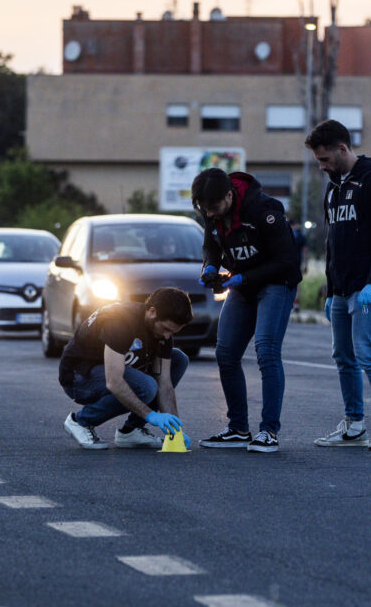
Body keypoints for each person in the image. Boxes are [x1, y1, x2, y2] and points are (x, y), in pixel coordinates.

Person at [304, 120, 371, 450]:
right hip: (342, 290)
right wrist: (331, 291)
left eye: (324, 159)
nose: (321, 166)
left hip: (368, 290)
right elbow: (334, 243)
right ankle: (354, 424)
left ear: (342, 149)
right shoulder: (334, 187)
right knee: (343, 357)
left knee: (367, 354)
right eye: (318, 160)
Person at [192, 168, 302, 453]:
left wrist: (241, 278)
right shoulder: (210, 208)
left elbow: (287, 261)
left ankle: (269, 432)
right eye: (206, 210)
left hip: (276, 283)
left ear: (229, 195)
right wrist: (210, 267)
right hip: (242, 285)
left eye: (214, 208)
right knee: (225, 353)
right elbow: (211, 245)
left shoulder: (264, 210)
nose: (211, 214)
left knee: (266, 350)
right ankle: (238, 428)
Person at [59, 287, 191, 450]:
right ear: (152, 312)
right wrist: (151, 416)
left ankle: (131, 431)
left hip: (114, 369)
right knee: (146, 386)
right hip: (78, 378)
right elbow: (114, 382)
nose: (167, 336)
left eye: (172, 332)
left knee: (178, 359)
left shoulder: (162, 334)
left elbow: (164, 383)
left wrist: (175, 431)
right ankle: (80, 421)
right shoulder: (120, 322)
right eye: (165, 329)